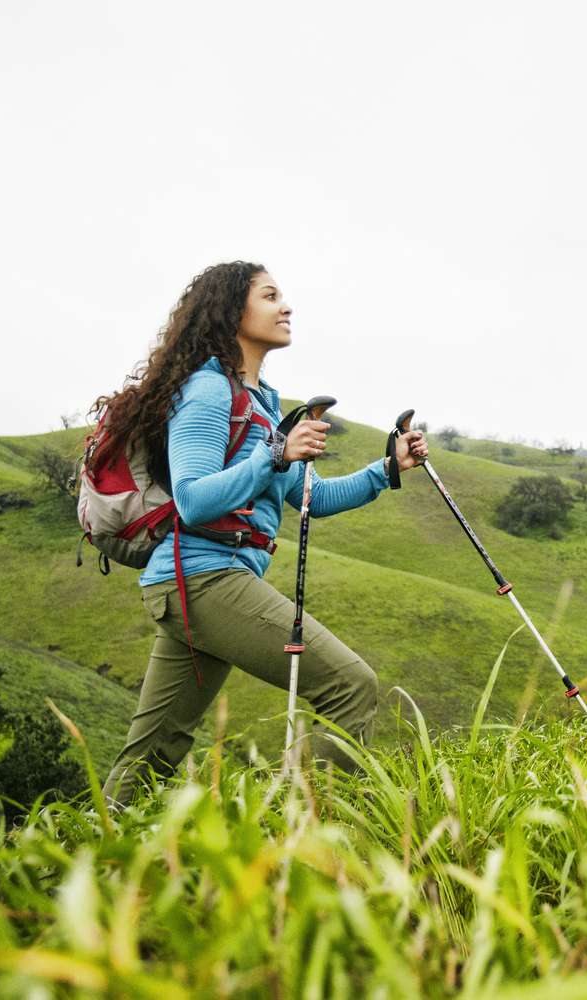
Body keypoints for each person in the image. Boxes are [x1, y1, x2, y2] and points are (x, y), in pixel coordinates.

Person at [90, 260, 427, 807]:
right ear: (231, 311)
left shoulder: (263, 402)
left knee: (153, 750)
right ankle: (290, 833)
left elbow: (309, 498)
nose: (286, 306)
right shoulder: (206, 390)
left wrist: (387, 469)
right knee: (352, 686)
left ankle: (83, 859)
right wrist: (273, 454)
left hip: (199, 582)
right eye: (270, 296)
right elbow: (194, 500)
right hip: (201, 577)